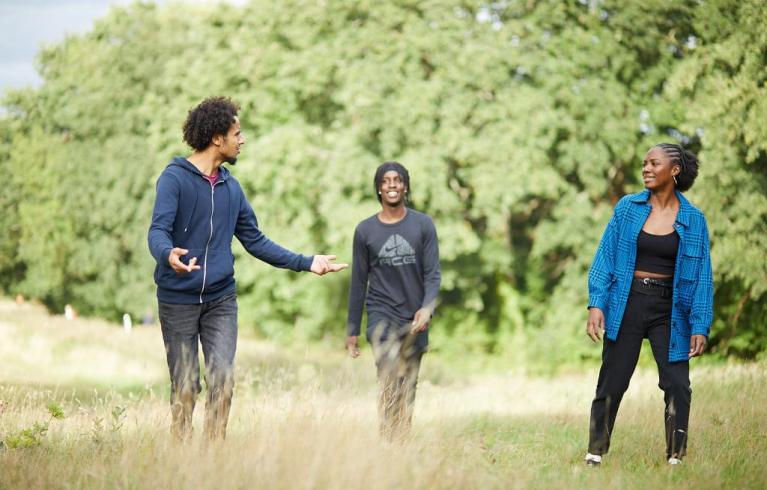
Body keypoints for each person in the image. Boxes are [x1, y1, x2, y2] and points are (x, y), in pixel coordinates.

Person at [148, 96, 346, 442]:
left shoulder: (231, 188)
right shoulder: (174, 179)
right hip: (177, 299)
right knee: (185, 386)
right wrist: (168, 255)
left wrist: (307, 262)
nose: (243, 140)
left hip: (220, 301)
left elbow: (255, 241)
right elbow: (157, 231)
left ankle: (214, 457)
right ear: (216, 138)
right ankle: (179, 456)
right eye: (237, 133)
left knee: (222, 381)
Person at [584, 143, 714, 466]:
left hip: (670, 310)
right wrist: (596, 303)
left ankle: (676, 456)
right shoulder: (627, 208)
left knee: (677, 385)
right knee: (613, 379)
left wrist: (700, 324)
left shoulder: (694, 220)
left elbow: (702, 278)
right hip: (626, 301)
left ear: (674, 170)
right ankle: (595, 452)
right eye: (644, 163)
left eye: (654, 163)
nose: (646, 168)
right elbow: (605, 256)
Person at [346, 161, 441, 441]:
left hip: (414, 318)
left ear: (405, 186)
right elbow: (358, 282)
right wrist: (352, 328)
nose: (391, 184)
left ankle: (402, 441)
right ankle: (387, 439)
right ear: (378, 188)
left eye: (397, 180)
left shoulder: (423, 225)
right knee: (388, 376)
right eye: (385, 180)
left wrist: (427, 308)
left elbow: (433, 273)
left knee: (408, 384)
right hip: (380, 314)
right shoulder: (365, 231)